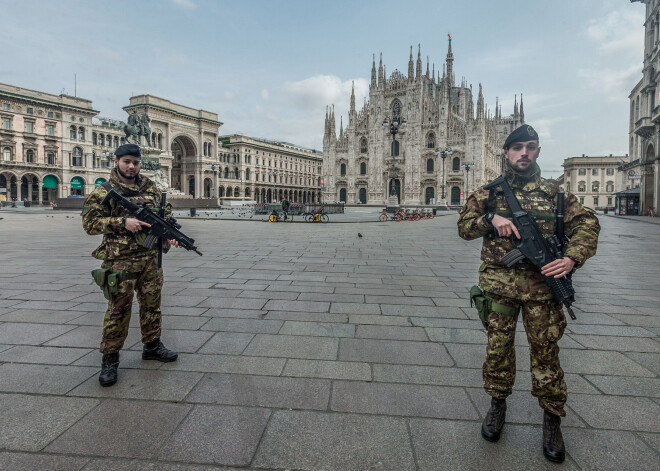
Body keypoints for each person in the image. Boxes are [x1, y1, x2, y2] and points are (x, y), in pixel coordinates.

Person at [457, 124, 600, 463]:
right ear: (505, 152)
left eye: (531, 147)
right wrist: (491, 218)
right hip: (500, 290)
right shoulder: (488, 193)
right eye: (517, 147)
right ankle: (497, 406)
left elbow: (589, 224)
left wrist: (570, 258)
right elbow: (464, 227)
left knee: (546, 356)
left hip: (543, 291)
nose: (524, 153)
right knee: (497, 350)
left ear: (538, 152)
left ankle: (552, 420)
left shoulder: (556, 193)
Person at [82, 143, 179, 387]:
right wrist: (122, 222)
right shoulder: (104, 190)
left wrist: (169, 233)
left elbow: (162, 216)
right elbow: (89, 224)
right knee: (118, 310)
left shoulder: (151, 188)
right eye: (126, 161)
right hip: (120, 261)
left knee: (152, 305)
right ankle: (110, 359)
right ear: (116, 162)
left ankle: (152, 345)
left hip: (150, 259)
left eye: (135, 162)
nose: (131, 166)